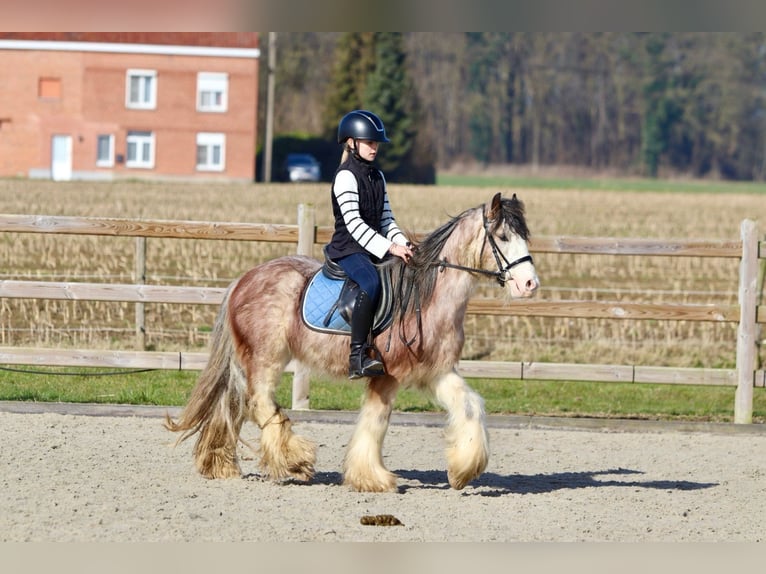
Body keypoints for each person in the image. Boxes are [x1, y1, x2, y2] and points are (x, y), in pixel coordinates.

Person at [325, 110, 414, 379]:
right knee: (371, 282)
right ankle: (357, 357)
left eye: (376, 143)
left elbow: (386, 219)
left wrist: (403, 244)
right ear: (351, 143)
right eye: (369, 142)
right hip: (348, 249)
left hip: (372, 245)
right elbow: (354, 225)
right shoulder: (345, 177)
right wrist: (389, 248)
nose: (374, 148)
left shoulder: (378, 177)